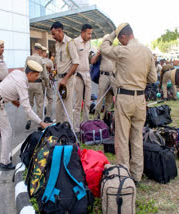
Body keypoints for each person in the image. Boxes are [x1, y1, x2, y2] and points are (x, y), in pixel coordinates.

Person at [100, 23, 157, 185]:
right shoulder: (147, 51)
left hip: (125, 98)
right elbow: (153, 79)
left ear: (123, 36)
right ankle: (137, 175)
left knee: (122, 138)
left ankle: (123, 174)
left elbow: (104, 48)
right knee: (137, 138)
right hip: (140, 99)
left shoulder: (123, 51)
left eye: (120, 38)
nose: (120, 42)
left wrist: (111, 35)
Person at [0, 60, 50, 170]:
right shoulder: (22, 83)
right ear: (29, 74)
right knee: (7, 131)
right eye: (36, 75)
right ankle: (5, 162)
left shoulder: (17, 73)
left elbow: (7, 85)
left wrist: (13, 99)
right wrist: (41, 123)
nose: (37, 78)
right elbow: (27, 109)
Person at [50, 21, 79, 123]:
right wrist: (54, 72)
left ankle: (68, 131)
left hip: (68, 80)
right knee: (58, 105)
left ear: (60, 31)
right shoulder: (57, 44)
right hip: (60, 79)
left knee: (67, 106)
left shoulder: (69, 43)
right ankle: (59, 127)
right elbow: (58, 62)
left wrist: (66, 79)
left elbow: (76, 63)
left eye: (54, 34)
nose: (53, 36)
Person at [73, 24, 93, 134]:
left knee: (87, 103)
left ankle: (85, 126)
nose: (90, 36)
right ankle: (76, 129)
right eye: (88, 33)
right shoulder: (75, 42)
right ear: (83, 32)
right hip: (78, 75)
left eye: (91, 33)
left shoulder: (89, 43)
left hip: (87, 75)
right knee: (78, 104)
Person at [24, 43, 48, 130]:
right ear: (40, 50)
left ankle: (28, 119)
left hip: (29, 83)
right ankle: (39, 124)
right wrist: (47, 83)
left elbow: (24, 71)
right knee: (40, 104)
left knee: (29, 103)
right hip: (38, 84)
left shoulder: (28, 58)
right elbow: (45, 74)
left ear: (34, 49)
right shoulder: (41, 60)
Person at [91, 49, 115, 120]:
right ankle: (96, 116)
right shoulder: (101, 51)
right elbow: (92, 61)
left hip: (112, 76)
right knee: (100, 97)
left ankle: (106, 117)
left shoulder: (113, 50)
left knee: (109, 98)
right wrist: (98, 54)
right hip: (104, 75)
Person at [42, 46, 54, 123]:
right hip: (47, 81)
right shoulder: (49, 61)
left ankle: (40, 117)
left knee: (41, 99)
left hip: (39, 82)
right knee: (50, 98)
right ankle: (48, 116)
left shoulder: (37, 61)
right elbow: (52, 72)